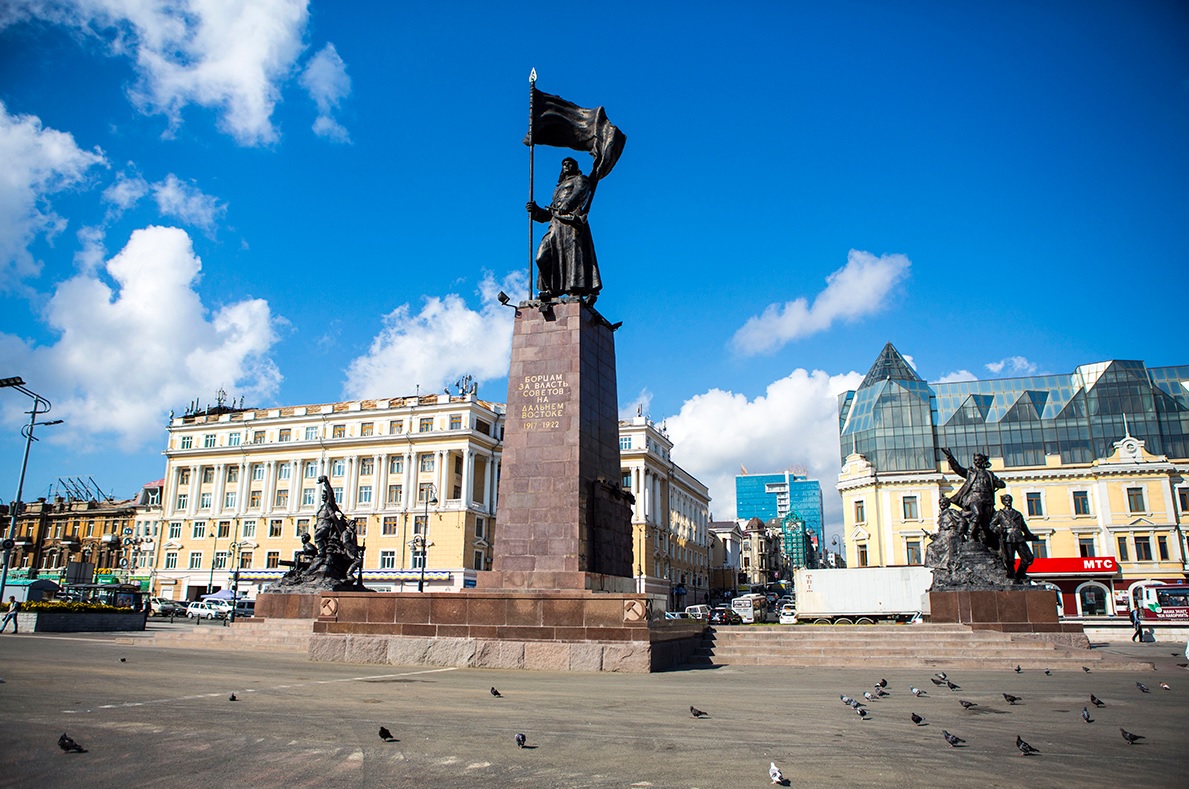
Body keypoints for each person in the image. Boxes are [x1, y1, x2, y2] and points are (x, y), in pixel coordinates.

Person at [527, 157, 601, 301]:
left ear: (576, 166)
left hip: (571, 224)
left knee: (573, 257)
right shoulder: (558, 188)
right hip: (555, 225)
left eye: (570, 163)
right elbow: (549, 213)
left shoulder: (580, 179)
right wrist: (535, 210)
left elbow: (581, 193)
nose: (566, 166)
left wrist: (568, 204)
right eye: (564, 164)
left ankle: (575, 289)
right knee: (541, 257)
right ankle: (551, 289)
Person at [941, 448, 1005, 546]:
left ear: (983, 461)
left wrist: (999, 483)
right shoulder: (970, 473)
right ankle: (970, 534)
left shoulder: (989, 474)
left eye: (979, 460)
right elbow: (958, 468)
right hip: (974, 497)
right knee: (977, 513)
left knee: (985, 521)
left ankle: (984, 540)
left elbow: (1001, 484)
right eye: (975, 460)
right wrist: (950, 457)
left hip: (987, 498)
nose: (977, 462)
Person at [989, 494, 1039, 582]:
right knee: (1009, 560)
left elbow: (1024, 527)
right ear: (1003, 502)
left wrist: (1030, 536)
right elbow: (992, 525)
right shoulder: (1000, 514)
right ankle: (1012, 576)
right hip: (1007, 538)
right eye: (1006, 500)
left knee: (1028, 558)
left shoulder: (1017, 514)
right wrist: (998, 530)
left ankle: (1020, 574)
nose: (1008, 502)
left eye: (1009, 500)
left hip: (1019, 538)